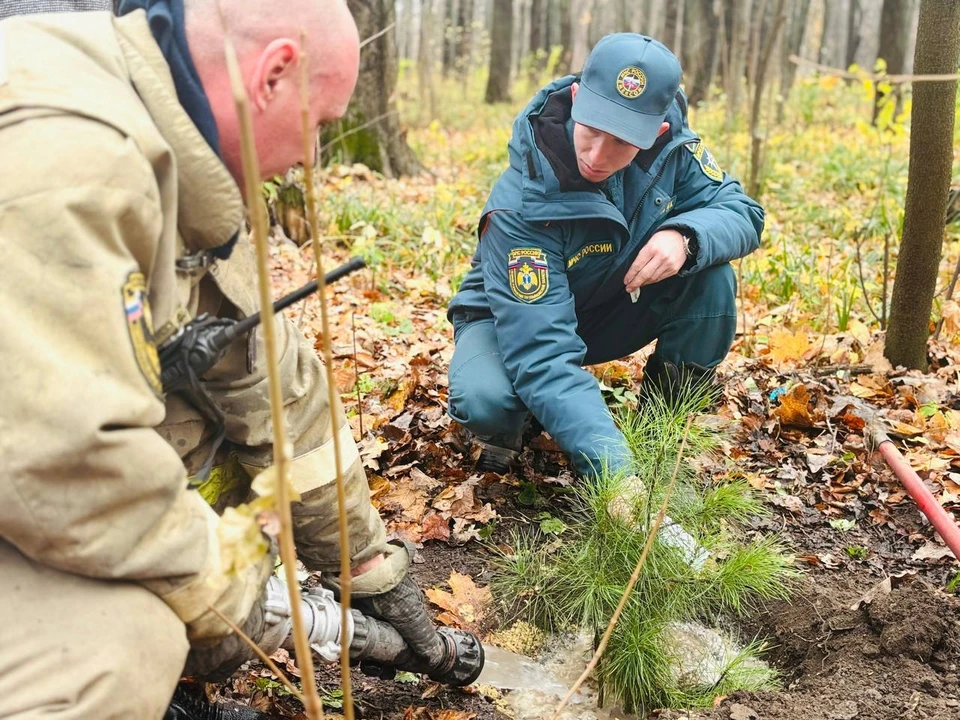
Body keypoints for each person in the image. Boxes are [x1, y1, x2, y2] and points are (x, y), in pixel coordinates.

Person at [0, 1, 442, 718]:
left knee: (235, 486)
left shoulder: (170, 140)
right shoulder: (73, 166)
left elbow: (264, 372)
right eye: (319, 126)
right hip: (35, 475)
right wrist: (232, 595)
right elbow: (65, 467)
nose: (312, 158)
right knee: (117, 648)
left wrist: (366, 567)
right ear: (271, 77)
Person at [447, 33, 765, 476]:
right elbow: (542, 352)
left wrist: (685, 236)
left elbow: (743, 212)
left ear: (656, 132)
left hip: (601, 306)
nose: (597, 155)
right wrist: (617, 476)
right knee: (487, 401)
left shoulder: (674, 152)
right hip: (508, 322)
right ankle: (510, 427)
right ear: (577, 99)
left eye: (621, 141)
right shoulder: (522, 201)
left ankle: (658, 431)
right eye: (592, 130)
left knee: (711, 278)